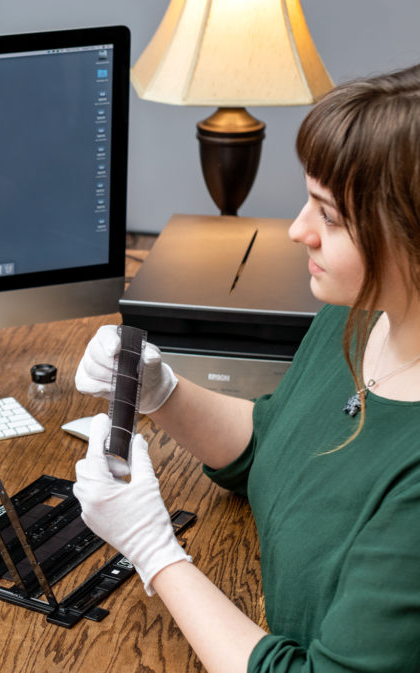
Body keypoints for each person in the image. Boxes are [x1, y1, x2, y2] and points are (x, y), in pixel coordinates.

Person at [72, 62, 420, 673]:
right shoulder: (364, 313)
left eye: (329, 215)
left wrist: (155, 553)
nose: (296, 230)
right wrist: (164, 393)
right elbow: (277, 447)